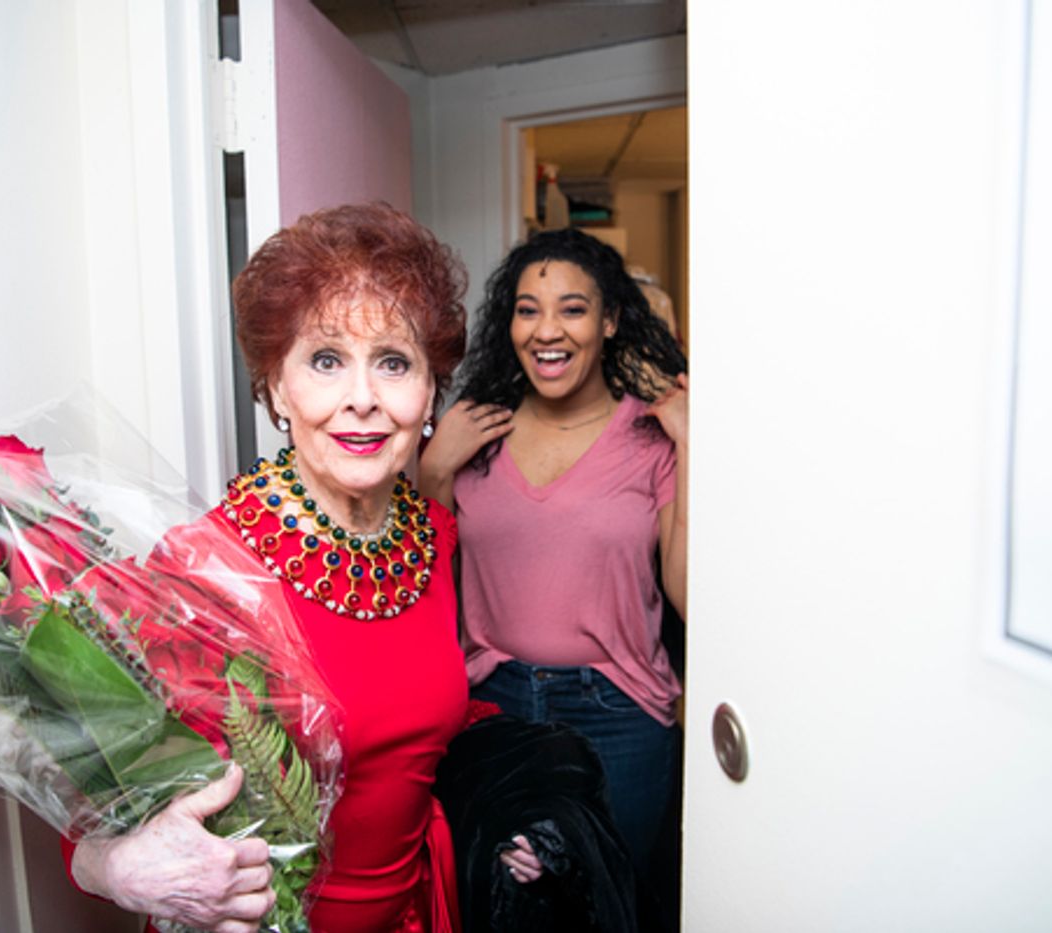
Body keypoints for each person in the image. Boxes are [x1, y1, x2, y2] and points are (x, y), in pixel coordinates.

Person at [68, 202, 542, 933]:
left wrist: (516, 803)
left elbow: (423, 723)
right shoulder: (204, 566)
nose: (362, 398)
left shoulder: (436, 537)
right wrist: (119, 866)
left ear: (429, 393)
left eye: (394, 361)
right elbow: (91, 802)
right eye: (326, 360)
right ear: (277, 388)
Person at [419, 227, 688, 897]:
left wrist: (695, 443)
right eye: (527, 307)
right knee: (499, 905)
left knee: (612, 900)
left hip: (619, 713)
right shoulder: (475, 433)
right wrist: (431, 470)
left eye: (572, 307)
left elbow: (692, 597)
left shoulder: (652, 439)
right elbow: (422, 591)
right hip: (491, 705)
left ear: (610, 320)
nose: (547, 329)